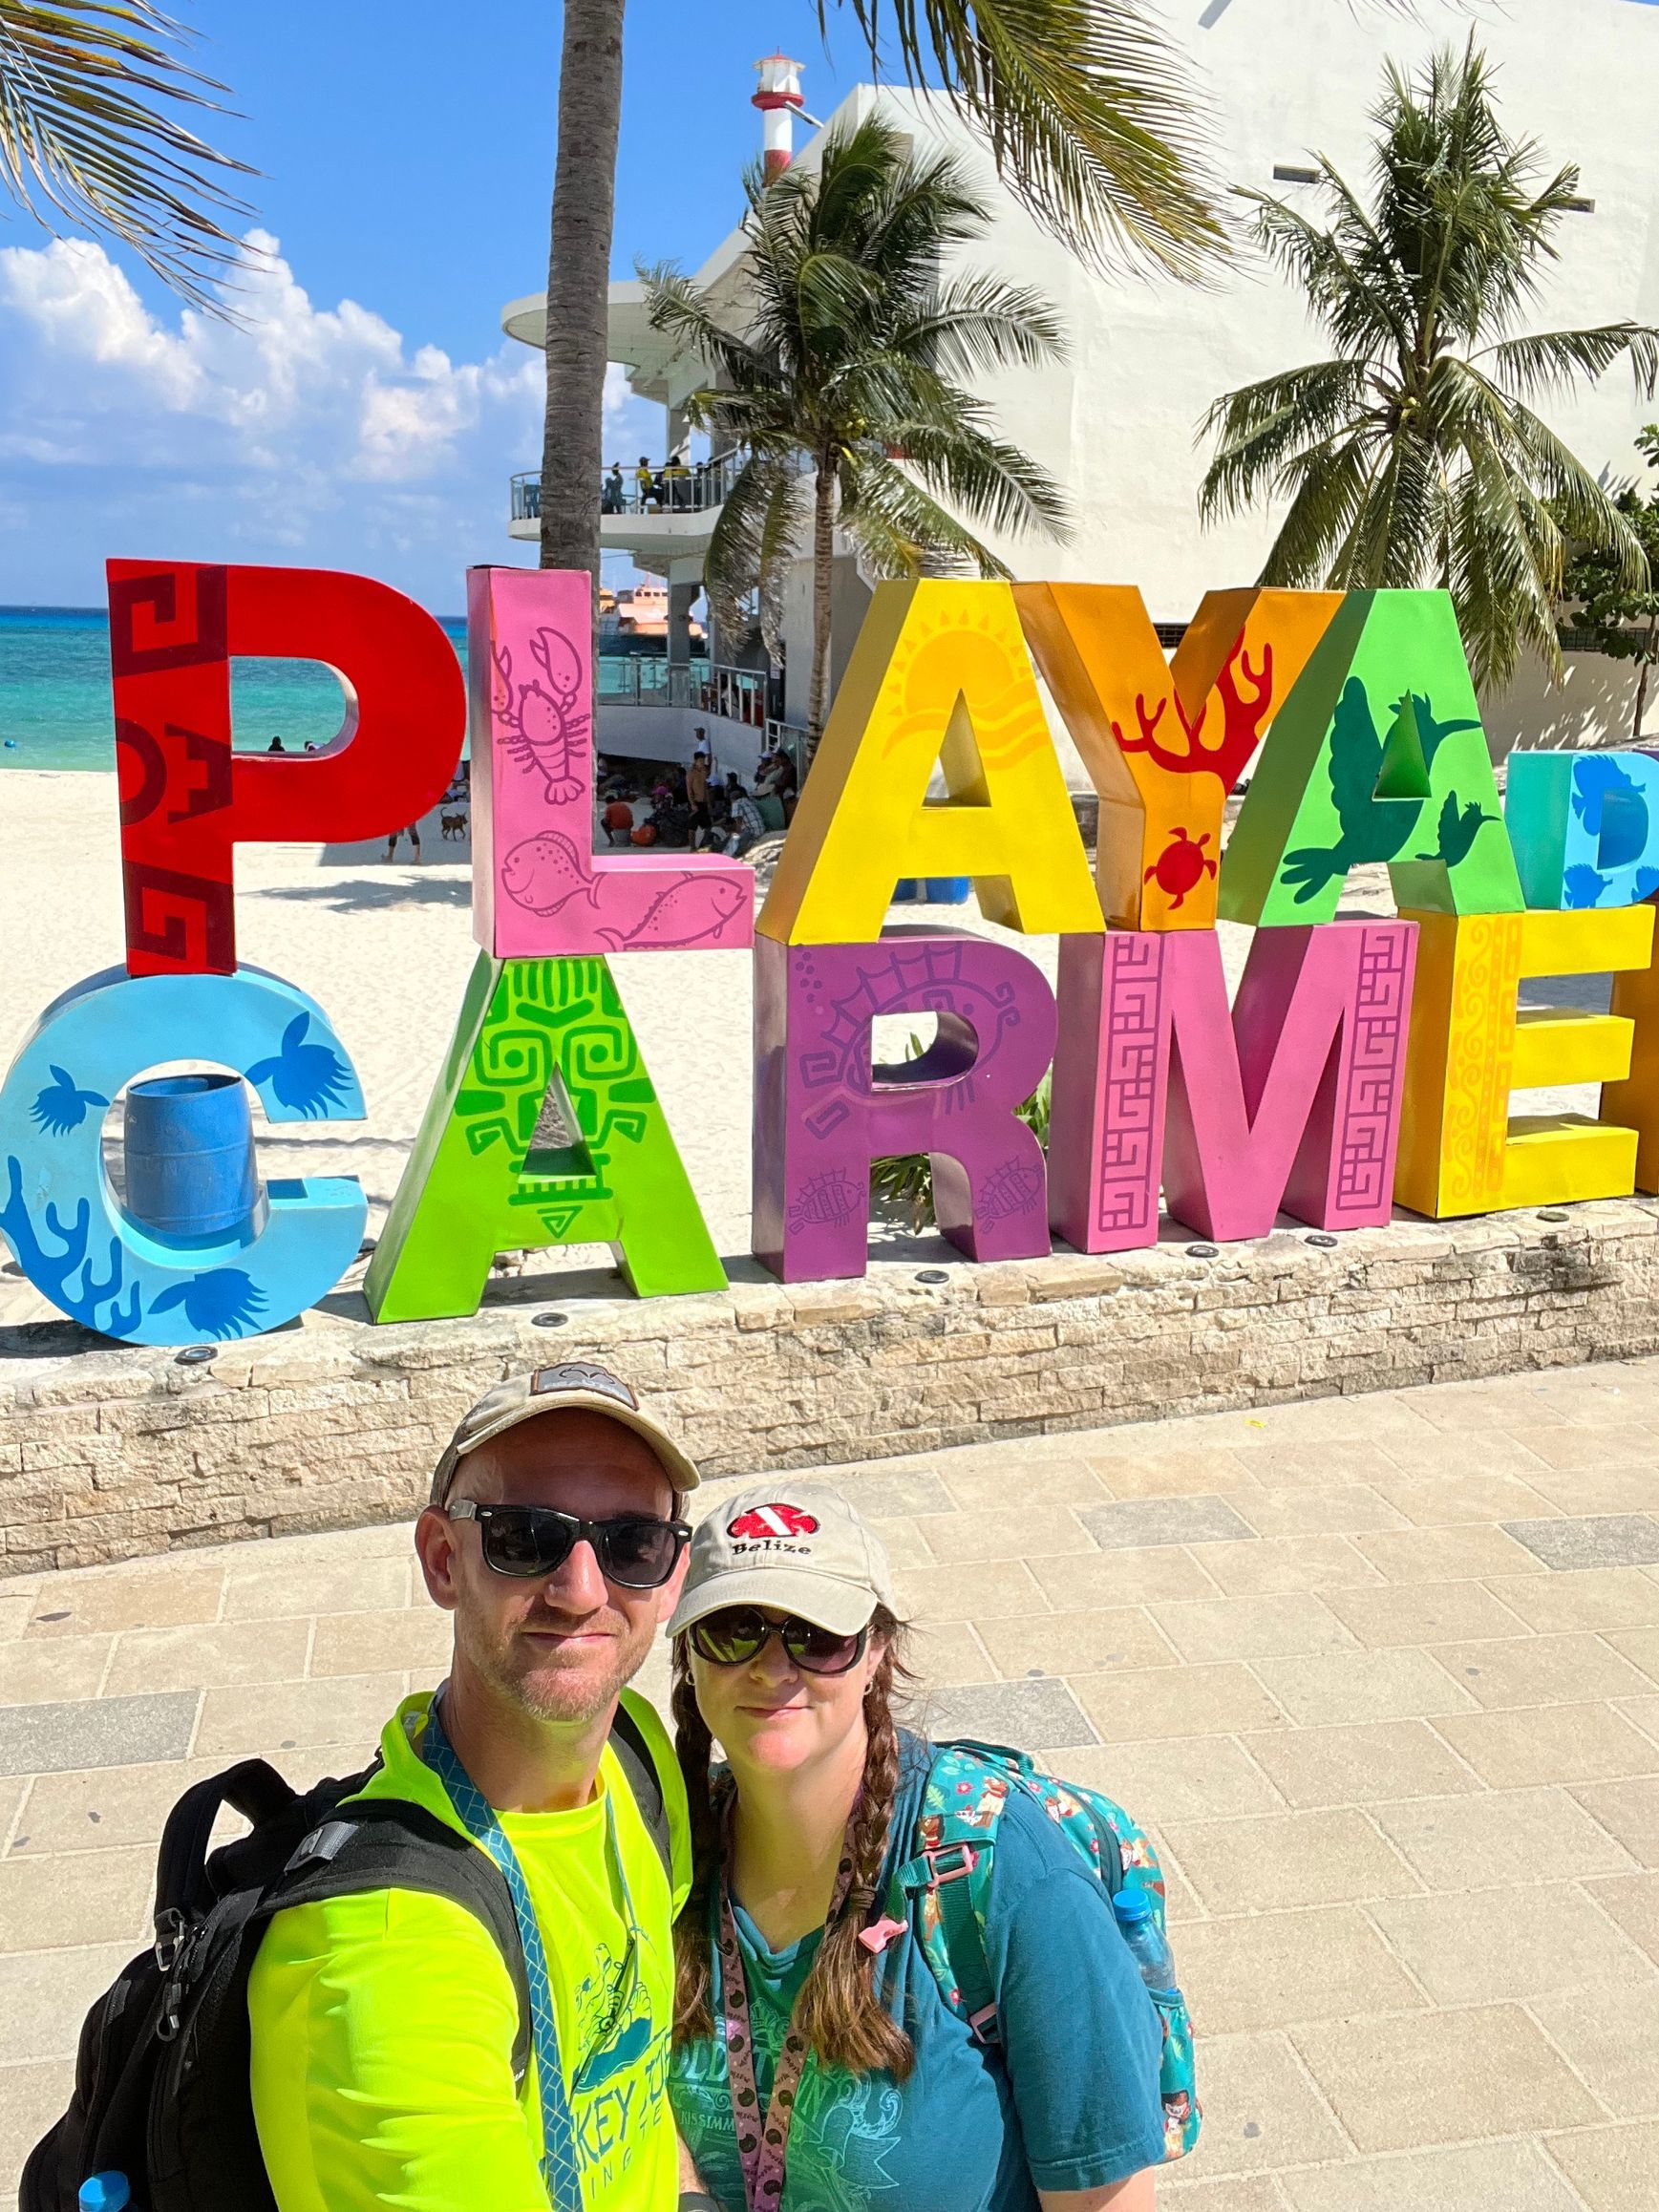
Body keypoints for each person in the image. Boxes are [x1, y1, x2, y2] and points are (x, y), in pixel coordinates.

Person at [246, 1364, 702, 2211]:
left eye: (631, 1544)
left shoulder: (637, 1756)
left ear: (672, 1576)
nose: (581, 1590)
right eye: (524, 1538)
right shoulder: (385, 1954)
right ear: (442, 1559)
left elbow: (630, 2076)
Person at [666, 1482, 1169, 2212]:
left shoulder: (1007, 1873)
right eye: (733, 1629)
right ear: (688, 1652)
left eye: (816, 1635)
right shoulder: (663, 1845)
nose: (772, 1669)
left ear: (876, 1652)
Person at [685, 746, 713, 852]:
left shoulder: (704, 772)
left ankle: (704, 844)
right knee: (692, 827)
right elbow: (689, 790)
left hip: (704, 802)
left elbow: (705, 787)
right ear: (696, 761)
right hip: (695, 802)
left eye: (703, 760)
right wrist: (692, 803)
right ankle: (692, 847)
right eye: (700, 760)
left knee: (708, 826)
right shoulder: (691, 773)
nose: (702, 762)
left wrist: (708, 802)